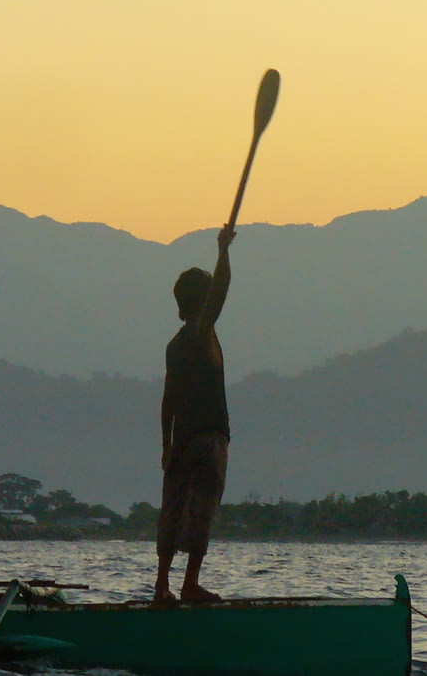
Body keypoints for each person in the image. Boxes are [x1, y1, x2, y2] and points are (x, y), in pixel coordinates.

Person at [154, 226, 235, 603]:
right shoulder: (202, 332)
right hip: (206, 439)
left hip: (183, 441)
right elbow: (222, 290)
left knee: (173, 510)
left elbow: (167, 399)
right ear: (199, 303)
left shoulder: (174, 345)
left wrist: (166, 446)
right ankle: (186, 584)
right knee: (200, 510)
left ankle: (162, 586)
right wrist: (223, 251)